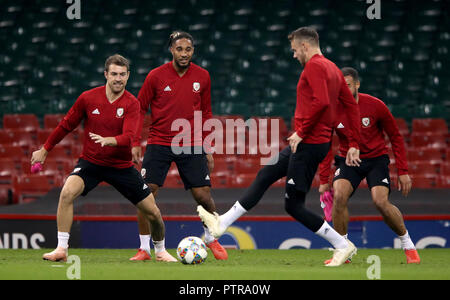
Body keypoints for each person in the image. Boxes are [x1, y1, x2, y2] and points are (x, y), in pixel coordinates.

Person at [198, 27, 362, 266]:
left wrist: (302, 132)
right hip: (312, 142)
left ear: (305, 46)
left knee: (293, 205)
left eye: (295, 50)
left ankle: (341, 244)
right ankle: (221, 223)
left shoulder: (315, 66)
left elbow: (323, 102)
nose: (294, 55)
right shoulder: (333, 68)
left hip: (309, 142)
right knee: (266, 173)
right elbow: (352, 106)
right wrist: (354, 142)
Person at [32, 54, 176, 262]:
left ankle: (160, 251)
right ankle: (61, 249)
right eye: (114, 74)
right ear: (106, 74)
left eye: (123, 75)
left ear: (128, 76)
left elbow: (129, 136)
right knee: (67, 193)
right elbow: (66, 124)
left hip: (121, 167)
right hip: (91, 163)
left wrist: (110, 140)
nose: (118, 78)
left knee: (153, 212)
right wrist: (45, 149)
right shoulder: (88, 98)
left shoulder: (132, 104)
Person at [129, 31, 228, 261]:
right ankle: (145, 248)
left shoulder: (203, 76)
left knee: (203, 195)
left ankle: (211, 238)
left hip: (191, 142)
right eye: (179, 49)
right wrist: (135, 141)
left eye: (188, 49)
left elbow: (206, 113)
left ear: (193, 51)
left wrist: (208, 147)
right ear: (171, 50)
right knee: (145, 193)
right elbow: (139, 108)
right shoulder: (155, 76)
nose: (184, 54)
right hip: (159, 142)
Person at [318, 67, 420, 264]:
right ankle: (342, 249)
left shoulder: (375, 105)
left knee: (380, 201)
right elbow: (326, 144)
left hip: (376, 159)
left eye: (347, 86)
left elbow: (396, 137)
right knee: (339, 195)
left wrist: (403, 171)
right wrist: (323, 179)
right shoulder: (332, 110)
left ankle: (408, 245)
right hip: (348, 160)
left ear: (357, 85)